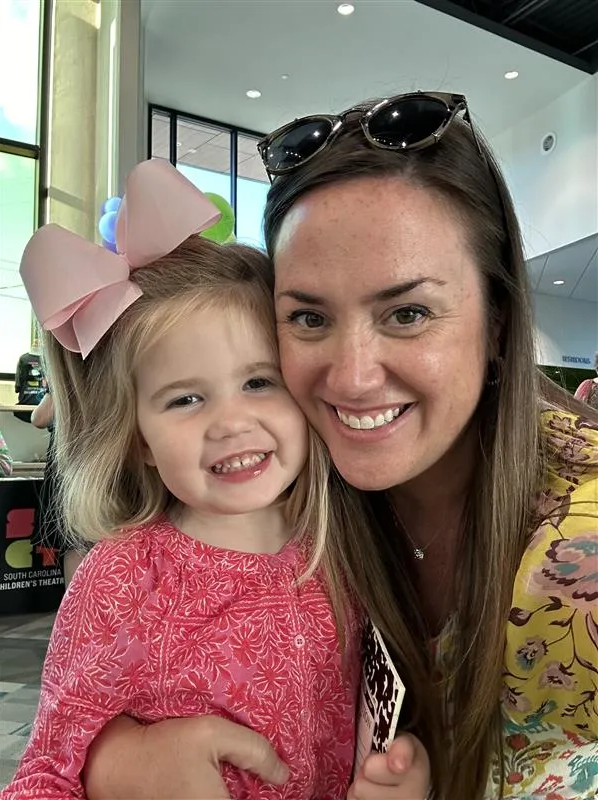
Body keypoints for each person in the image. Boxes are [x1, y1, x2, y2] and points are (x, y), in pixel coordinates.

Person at [83, 92, 598, 800]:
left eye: (408, 312)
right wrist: (113, 754)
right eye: (309, 317)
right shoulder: (297, 497)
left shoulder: (580, 554)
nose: (352, 378)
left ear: (499, 323)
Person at [0, 159, 430, 800]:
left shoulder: (344, 542)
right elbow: (45, 775)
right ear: (139, 438)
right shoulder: (122, 579)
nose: (231, 423)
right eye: (184, 400)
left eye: (259, 382)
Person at [31, 390, 85, 586]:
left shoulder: (67, 377)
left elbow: (39, 418)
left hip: (70, 463)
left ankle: (76, 612)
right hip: (103, 459)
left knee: (75, 543)